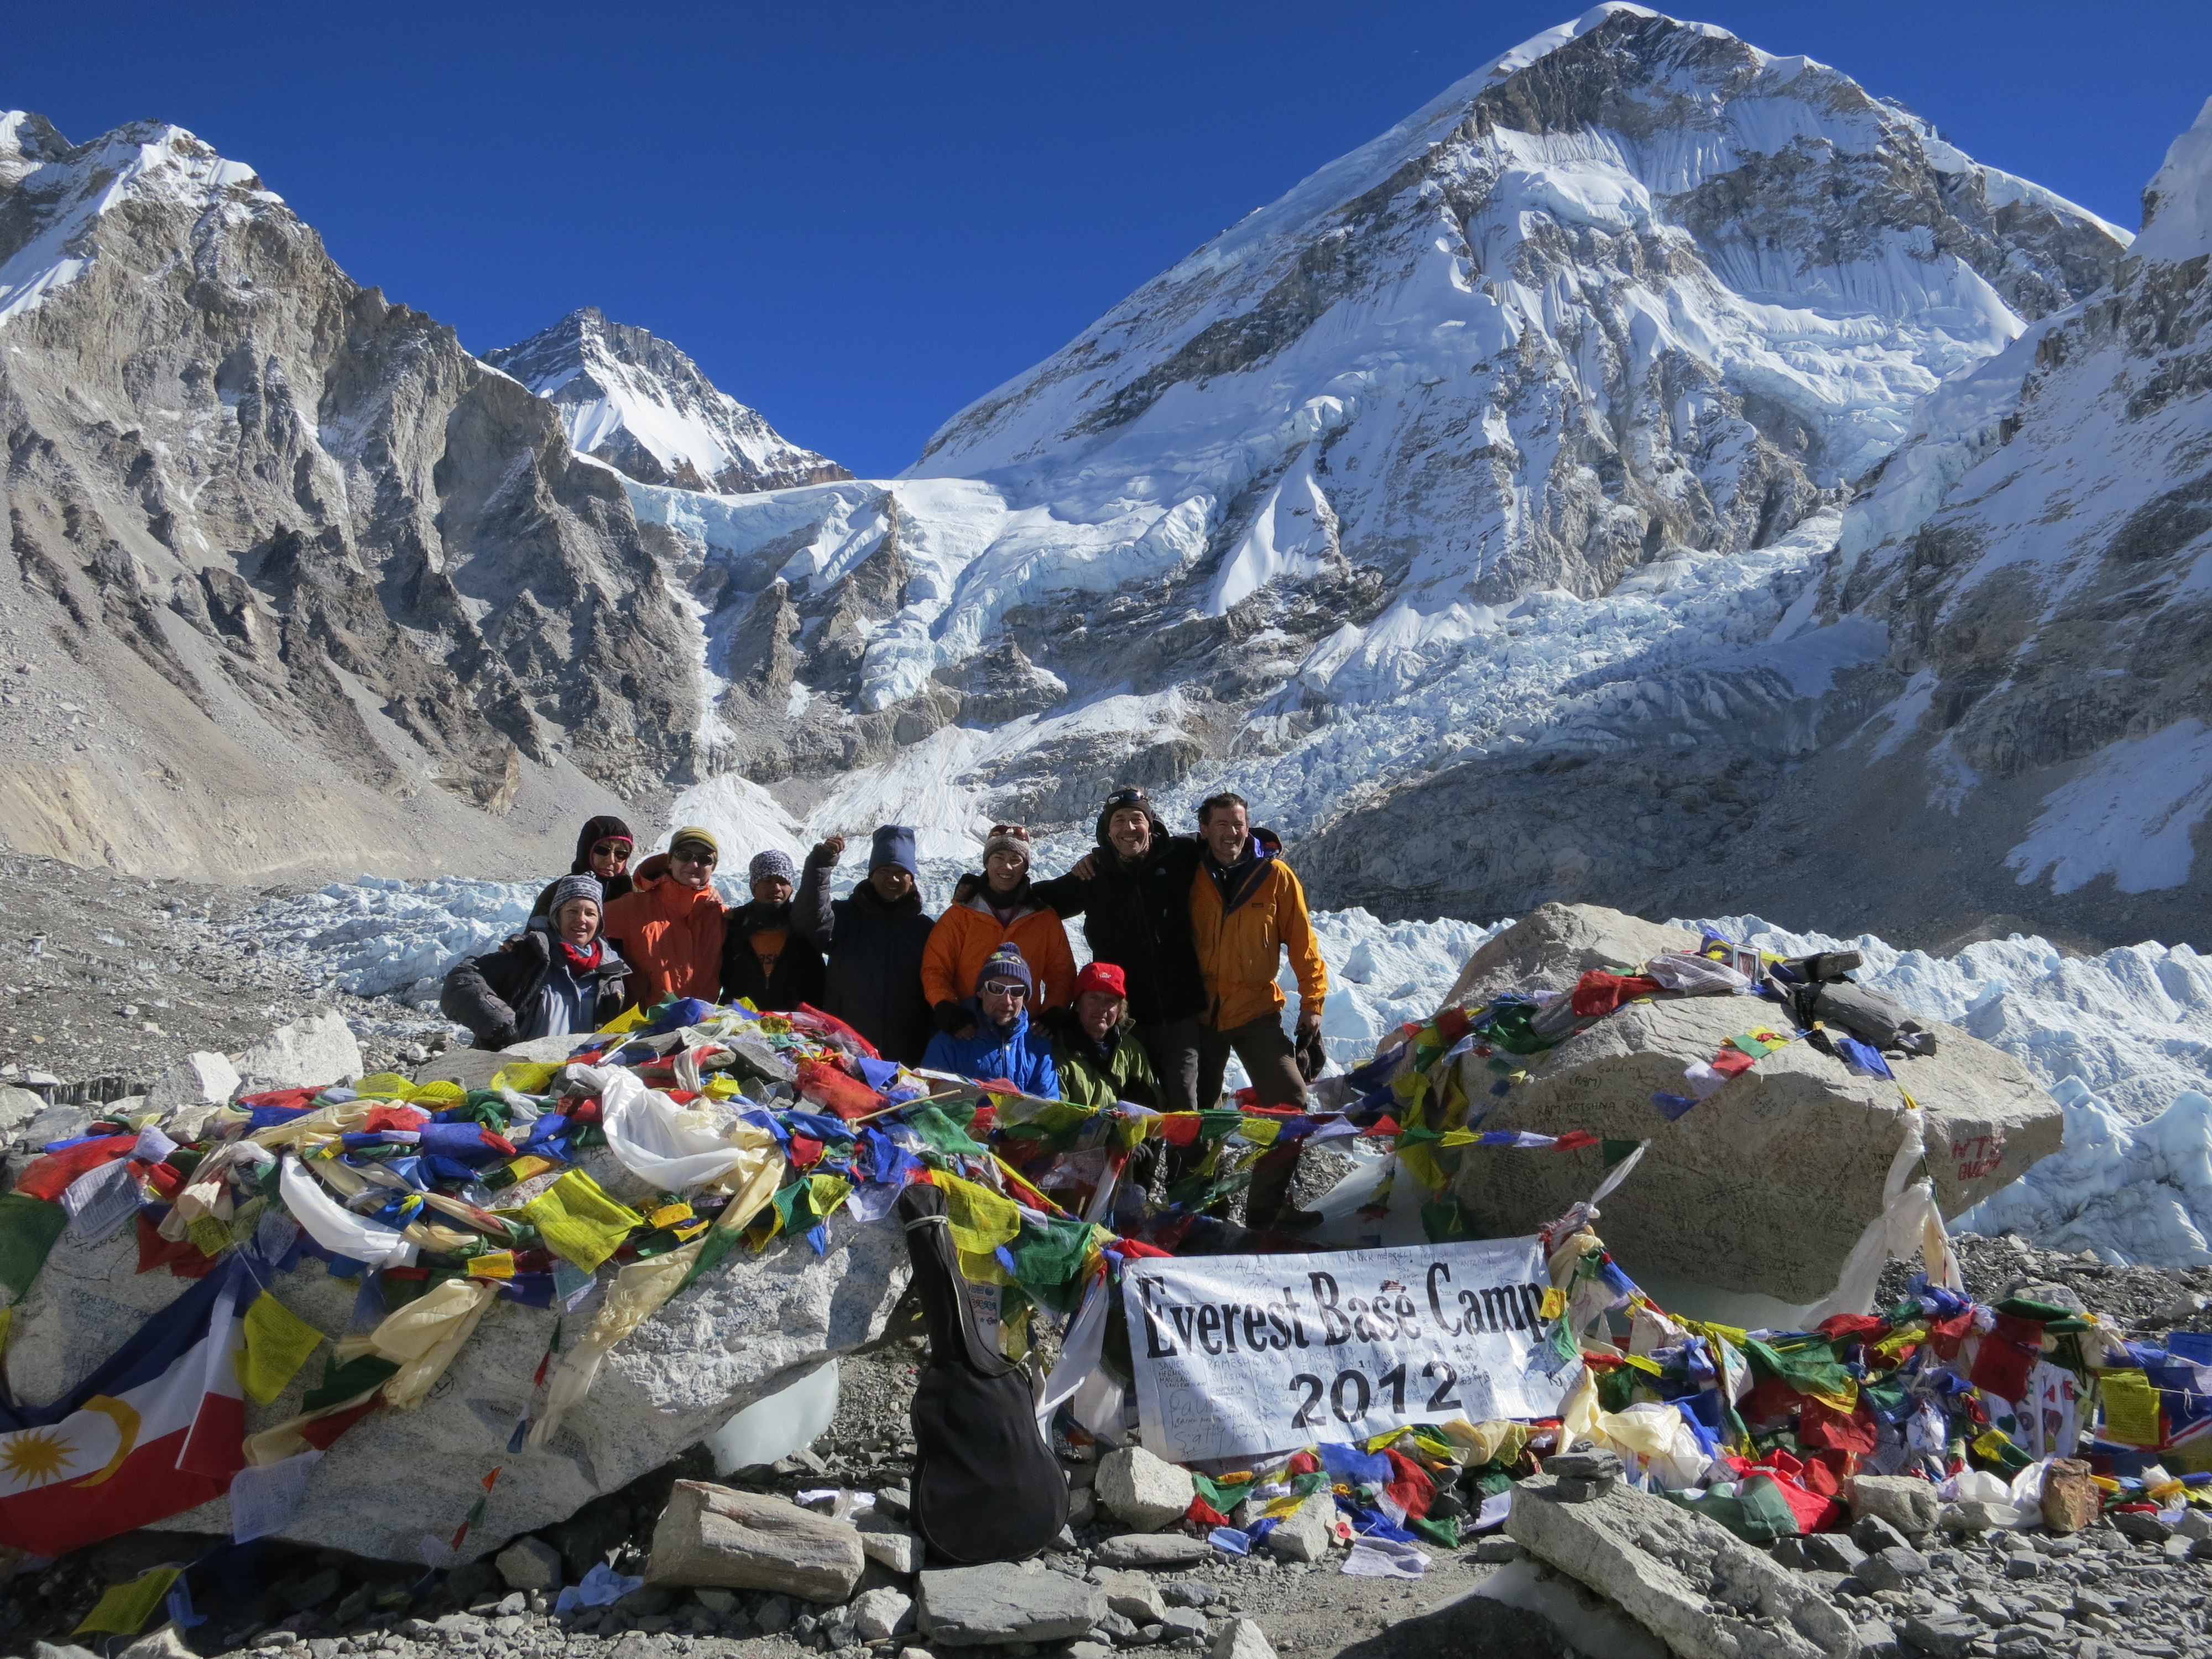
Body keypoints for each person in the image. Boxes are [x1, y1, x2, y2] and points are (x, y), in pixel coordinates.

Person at [1188, 791, 1328, 1228]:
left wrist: (1314, 1002)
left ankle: (1267, 1210)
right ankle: (1206, 1211)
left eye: (1239, 824)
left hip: (1255, 1010)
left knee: (1289, 1100)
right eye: (1223, 825)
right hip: (1201, 1012)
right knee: (1201, 1115)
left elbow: (1303, 942)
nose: (1232, 833)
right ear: (1205, 829)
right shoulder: (1189, 871)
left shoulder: (1274, 875)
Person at [1031, 786, 1208, 1112]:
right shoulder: (1095, 874)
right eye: (1119, 821)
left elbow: (1230, 844)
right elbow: (1042, 899)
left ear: (1150, 823)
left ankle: (1189, 1164)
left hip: (1179, 1014)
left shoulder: (1181, 856)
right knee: (1134, 1109)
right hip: (1123, 1019)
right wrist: (983, 885)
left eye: (1136, 819)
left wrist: (1266, 846)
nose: (1129, 828)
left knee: (1184, 1108)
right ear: (1107, 831)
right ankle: (1141, 1165)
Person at [796, 825, 936, 1065]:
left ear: (911, 878)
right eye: (884, 871)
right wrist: (820, 866)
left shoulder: (925, 930)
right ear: (871, 875)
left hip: (906, 1057)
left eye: (900, 872)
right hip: (846, 1051)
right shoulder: (845, 917)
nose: (892, 878)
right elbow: (809, 921)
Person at [923, 825, 1078, 1041]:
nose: (1007, 866)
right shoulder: (961, 916)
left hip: (1021, 1036)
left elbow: (1062, 974)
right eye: (998, 857)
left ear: (1025, 867)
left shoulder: (1044, 919)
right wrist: (946, 1006)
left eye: (1016, 859)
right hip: (967, 1030)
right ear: (987, 862)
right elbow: (936, 968)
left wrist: (1053, 1011)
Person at [442, 874, 631, 1048]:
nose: (581, 920)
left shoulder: (611, 974)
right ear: (557, 916)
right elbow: (461, 980)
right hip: (514, 1077)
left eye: (590, 913)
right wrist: (499, 1021)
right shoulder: (529, 956)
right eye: (573, 911)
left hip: (575, 1079)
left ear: (599, 922)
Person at [601, 826, 727, 1008]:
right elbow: (581, 923)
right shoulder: (634, 907)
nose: (694, 865)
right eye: (685, 856)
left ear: (713, 867)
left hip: (700, 1027)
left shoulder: (720, 916)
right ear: (670, 861)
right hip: (645, 1027)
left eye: (704, 859)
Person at [920, 946, 1058, 1097]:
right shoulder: (948, 1043)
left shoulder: (1037, 1046)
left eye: (1016, 991)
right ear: (981, 992)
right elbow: (928, 1104)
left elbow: (1049, 1106)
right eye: (997, 989)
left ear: (1025, 998)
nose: (1007, 1001)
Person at [1040, 961, 1159, 1110]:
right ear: (1077, 1005)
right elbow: (1056, 1115)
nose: (1102, 1008)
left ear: (1120, 1010)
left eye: (1110, 1001)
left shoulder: (1130, 1050)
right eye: (1094, 998)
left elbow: (1154, 1106)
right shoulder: (1059, 1050)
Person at [722, 849, 825, 1013]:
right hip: (740, 1024)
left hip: (796, 1026)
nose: (776, 888)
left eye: (783, 882)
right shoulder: (735, 925)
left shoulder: (803, 927)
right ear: (754, 886)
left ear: (791, 887)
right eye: (768, 881)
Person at [531, 816, 635, 918]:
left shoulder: (635, 895)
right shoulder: (556, 893)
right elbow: (536, 932)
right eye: (602, 850)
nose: (611, 860)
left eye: (621, 853)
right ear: (586, 850)